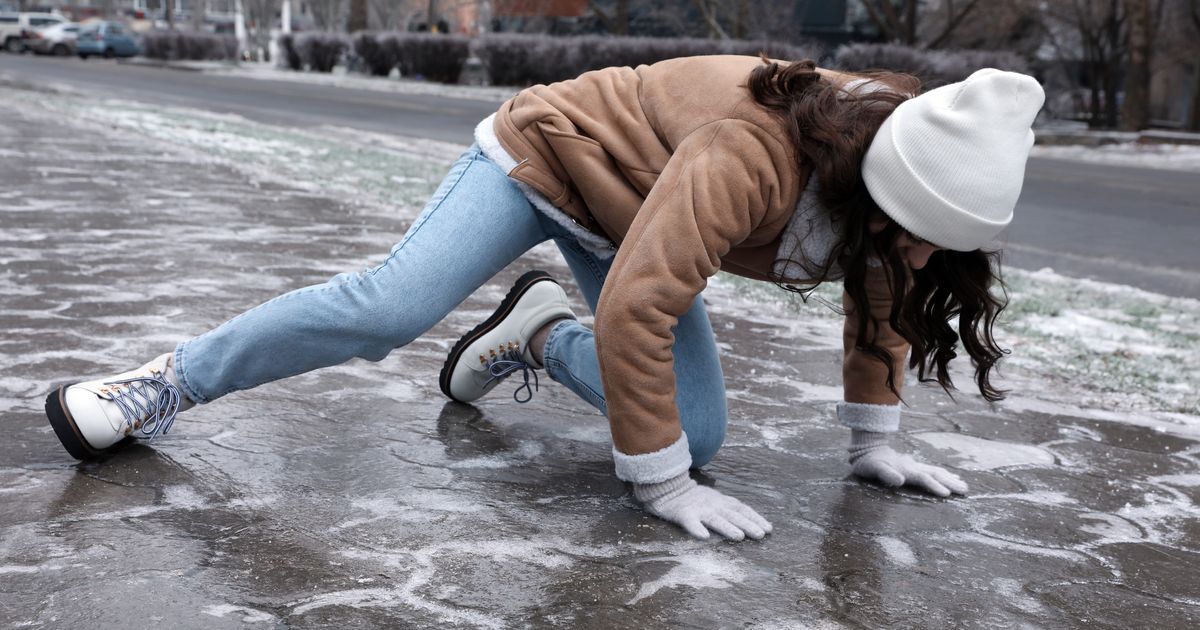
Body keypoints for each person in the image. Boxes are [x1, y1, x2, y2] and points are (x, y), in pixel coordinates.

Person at [43, 55, 1045, 541]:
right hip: (549, 158)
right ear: (875, 178)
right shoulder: (756, 157)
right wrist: (654, 490)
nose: (919, 252)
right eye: (912, 226)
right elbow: (644, 308)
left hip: (640, 215)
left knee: (691, 435)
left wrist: (874, 444)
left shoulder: (914, 175)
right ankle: (162, 382)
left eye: (941, 242)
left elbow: (881, 290)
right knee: (389, 309)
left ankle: (534, 332)